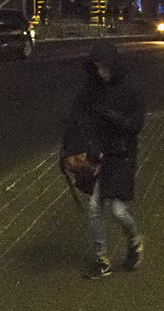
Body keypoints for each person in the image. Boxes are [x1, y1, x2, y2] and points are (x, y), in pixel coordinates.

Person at [62, 42, 146, 279]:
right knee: (95, 208)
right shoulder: (92, 88)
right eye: (97, 68)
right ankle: (102, 260)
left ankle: (135, 243)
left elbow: (136, 125)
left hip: (121, 155)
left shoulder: (129, 89)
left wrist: (112, 118)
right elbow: (77, 114)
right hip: (99, 154)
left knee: (119, 210)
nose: (101, 73)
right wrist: (70, 143)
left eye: (104, 68)